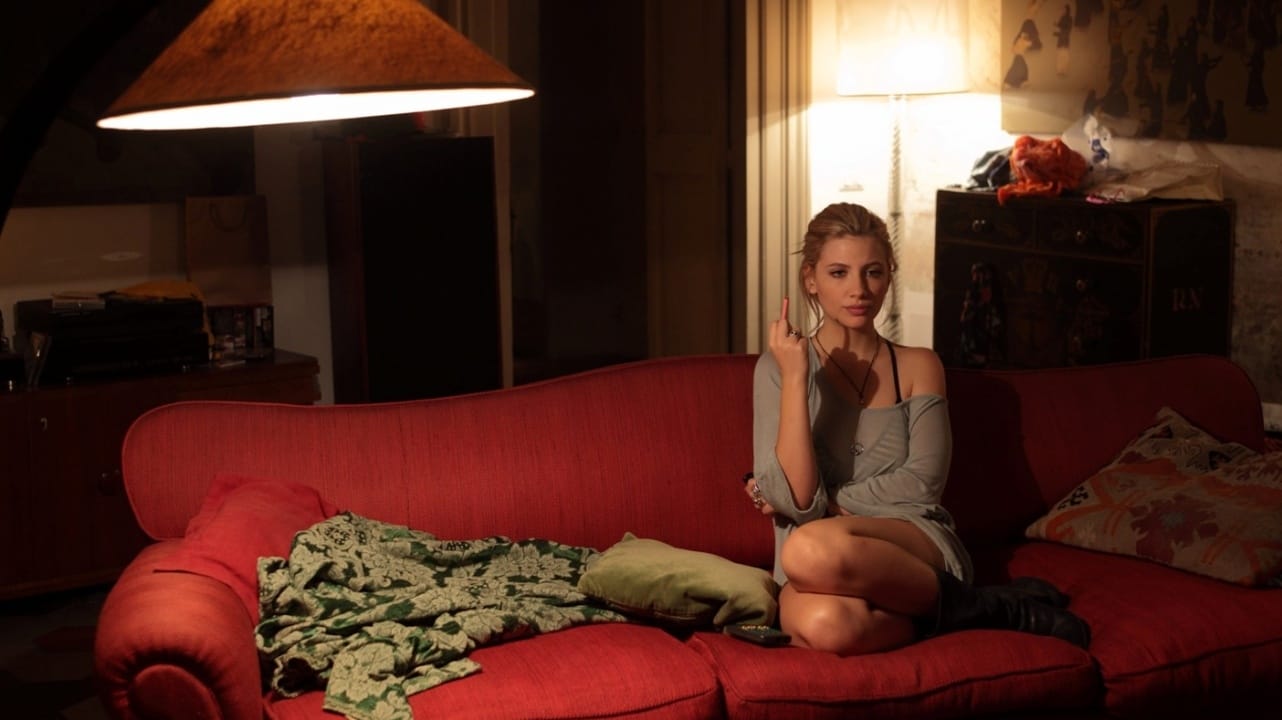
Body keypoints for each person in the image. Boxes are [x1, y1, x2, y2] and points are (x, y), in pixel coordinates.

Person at [745, 202, 1089, 655]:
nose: (859, 290)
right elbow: (797, 499)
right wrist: (796, 378)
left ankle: (970, 604)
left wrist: (825, 504)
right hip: (816, 567)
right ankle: (980, 609)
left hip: (909, 540)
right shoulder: (778, 368)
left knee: (807, 546)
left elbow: (922, 485)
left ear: (889, 275)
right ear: (810, 279)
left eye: (872, 272)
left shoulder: (918, 365)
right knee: (828, 626)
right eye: (838, 273)